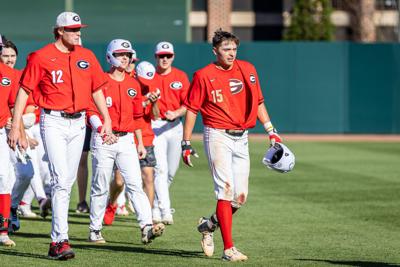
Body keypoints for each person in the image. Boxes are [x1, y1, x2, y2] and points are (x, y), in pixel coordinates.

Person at [7, 12, 114, 260]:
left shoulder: (86, 56)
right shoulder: (42, 56)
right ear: (59, 31)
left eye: (79, 28)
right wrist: (17, 126)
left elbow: (97, 88)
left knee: (67, 181)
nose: (78, 32)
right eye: (73, 29)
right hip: (53, 120)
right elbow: (24, 91)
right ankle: (58, 241)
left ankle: (58, 240)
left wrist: (106, 118)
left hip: (79, 123)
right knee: (59, 179)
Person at [181, 29, 282, 262]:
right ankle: (228, 249)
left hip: (242, 136)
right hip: (217, 135)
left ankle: (208, 225)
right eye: (226, 49)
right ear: (215, 50)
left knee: (240, 197)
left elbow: (258, 101)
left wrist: (271, 131)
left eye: (234, 48)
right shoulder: (203, 75)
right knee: (225, 191)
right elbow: (192, 109)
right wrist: (186, 142)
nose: (231, 53)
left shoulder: (248, 69)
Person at [87, 39, 164, 244]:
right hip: (103, 139)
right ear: (110, 56)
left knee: (135, 184)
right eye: (120, 53)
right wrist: (102, 130)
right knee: (100, 185)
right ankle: (95, 229)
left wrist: (139, 142)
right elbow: (91, 111)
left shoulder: (133, 84)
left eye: (128, 54)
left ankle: (146, 226)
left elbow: (138, 117)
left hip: (127, 139)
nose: (125, 57)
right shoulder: (100, 81)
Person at [1, 38, 52, 228]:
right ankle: (4, 221)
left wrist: (23, 134)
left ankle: (12, 208)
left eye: (12, 55)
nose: (9, 59)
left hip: (15, 130)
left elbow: (22, 109)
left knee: (27, 172)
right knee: (4, 177)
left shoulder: (18, 76)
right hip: (5, 130)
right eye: (5, 55)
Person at [151, 41, 190, 224]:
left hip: (175, 127)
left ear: (173, 57)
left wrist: (176, 113)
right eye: (161, 56)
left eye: (168, 56)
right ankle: (163, 210)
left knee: (171, 172)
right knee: (160, 169)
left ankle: (156, 203)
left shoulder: (180, 76)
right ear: (156, 57)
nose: (164, 59)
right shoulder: (149, 76)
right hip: (156, 126)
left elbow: (188, 104)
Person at [0, 34, 26, 247]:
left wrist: (18, 131)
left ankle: (3, 230)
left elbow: (13, 107)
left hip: (1, 131)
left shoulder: (9, 74)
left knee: (5, 177)